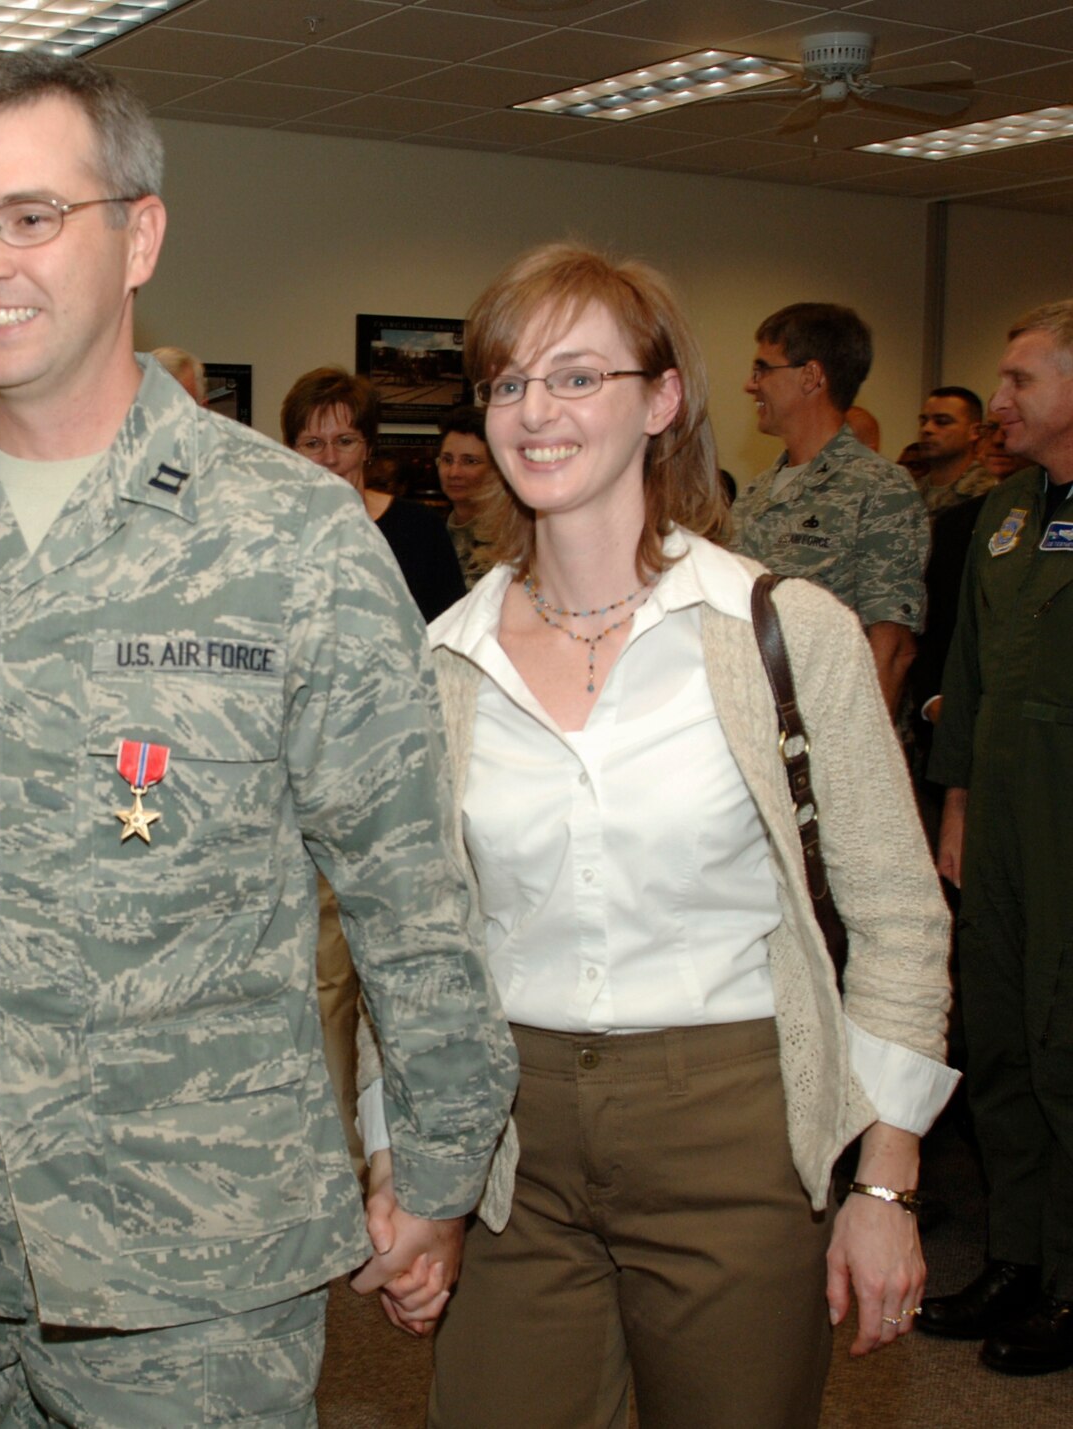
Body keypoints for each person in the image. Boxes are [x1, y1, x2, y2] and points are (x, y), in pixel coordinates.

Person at [0, 55, 515, 1425]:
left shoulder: (291, 538)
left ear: (138, 233)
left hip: (197, 1268)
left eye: (31, 215)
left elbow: (408, 884)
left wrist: (439, 1161)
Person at [357, 244, 956, 1426]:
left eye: (577, 377)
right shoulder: (441, 663)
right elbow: (408, 944)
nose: (535, 412)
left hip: (729, 1123)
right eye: (508, 381)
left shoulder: (784, 632)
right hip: (508, 1138)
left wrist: (883, 1180)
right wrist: (397, 1163)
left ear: (661, 399)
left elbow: (894, 914)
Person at [922, 300, 1073, 1377]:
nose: (1000, 398)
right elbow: (964, 677)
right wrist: (957, 811)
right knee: (1003, 1046)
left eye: (1020, 377)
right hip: (1003, 827)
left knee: (1066, 1050)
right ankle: (1015, 1256)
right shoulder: (1004, 512)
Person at [729, 302, 928, 716]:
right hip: (755, 726)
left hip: (828, 733)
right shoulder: (755, 493)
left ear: (810, 376)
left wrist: (852, 760)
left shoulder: (879, 488)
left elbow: (891, 648)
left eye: (763, 368)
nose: (751, 385)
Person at [280, 366, 465, 622]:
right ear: (291, 452)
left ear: (368, 448)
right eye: (313, 444)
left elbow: (450, 635)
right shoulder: (274, 535)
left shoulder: (422, 531)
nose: (330, 458)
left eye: (345, 441)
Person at [435, 405, 497, 588]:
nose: (454, 472)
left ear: (498, 469)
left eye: (469, 461)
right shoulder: (432, 536)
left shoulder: (512, 543)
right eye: (447, 460)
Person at [915, 385, 1000, 515]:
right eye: (923, 421)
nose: (927, 429)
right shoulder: (911, 491)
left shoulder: (989, 491)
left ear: (974, 431)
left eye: (942, 422)